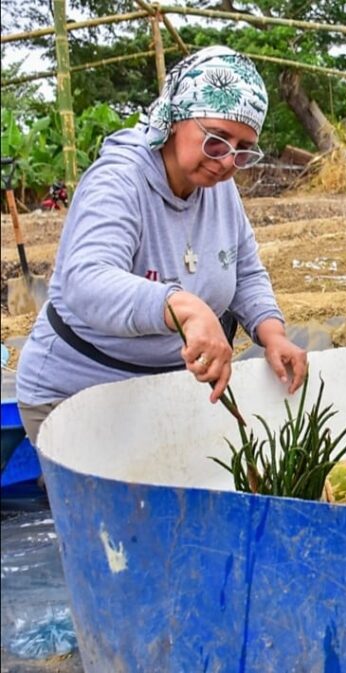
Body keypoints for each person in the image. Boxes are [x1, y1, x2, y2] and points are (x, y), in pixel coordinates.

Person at [16, 46, 308, 445]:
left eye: (242, 149)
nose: (226, 161)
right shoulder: (120, 180)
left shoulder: (219, 188)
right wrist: (183, 308)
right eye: (217, 140)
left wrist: (272, 333)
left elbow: (244, 270)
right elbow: (86, 280)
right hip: (79, 395)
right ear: (175, 119)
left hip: (164, 390)